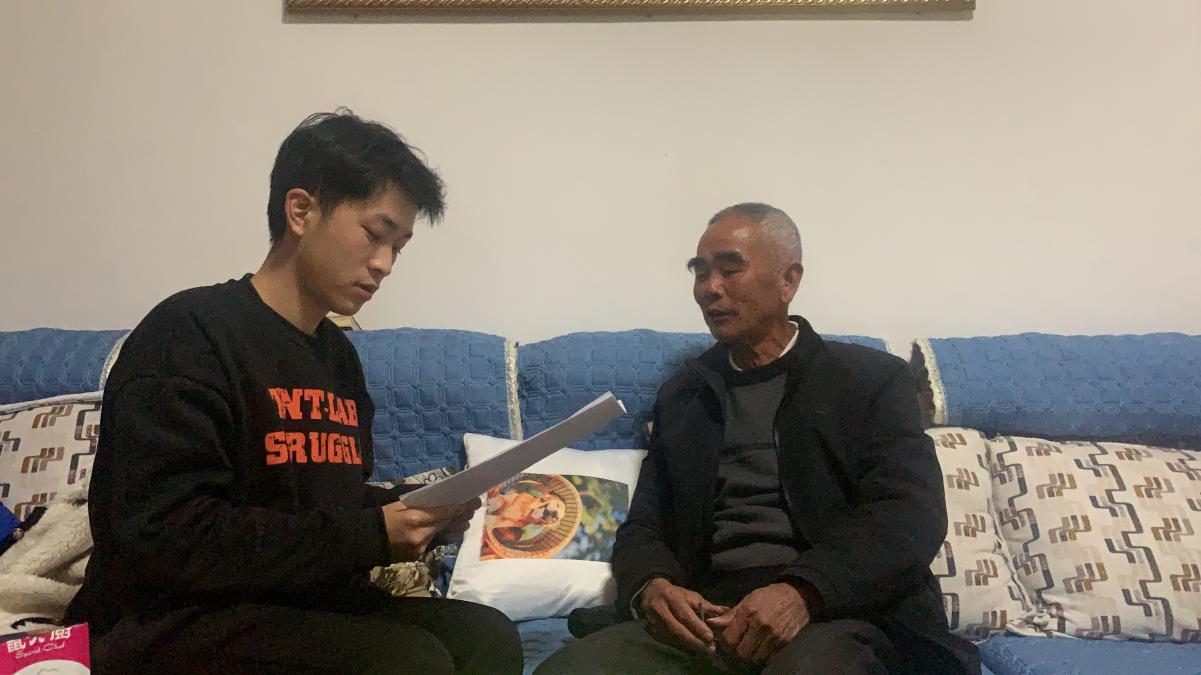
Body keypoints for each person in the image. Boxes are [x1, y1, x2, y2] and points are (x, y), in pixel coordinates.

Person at [66, 111, 522, 674]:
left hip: (296, 604)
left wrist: (415, 513)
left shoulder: (338, 360)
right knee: (408, 663)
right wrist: (370, 534)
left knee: (486, 638)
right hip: (169, 618)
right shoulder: (189, 333)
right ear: (301, 211)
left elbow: (322, 508)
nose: (384, 264)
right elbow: (163, 535)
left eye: (398, 247)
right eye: (374, 235)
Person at [537, 203, 979, 674]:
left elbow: (909, 514)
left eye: (730, 269)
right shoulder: (684, 396)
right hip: (708, 618)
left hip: (835, 611)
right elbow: (646, 524)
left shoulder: (870, 380)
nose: (710, 288)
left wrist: (803, 591)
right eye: (700, 273)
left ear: (789, 280)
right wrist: (652, 586)